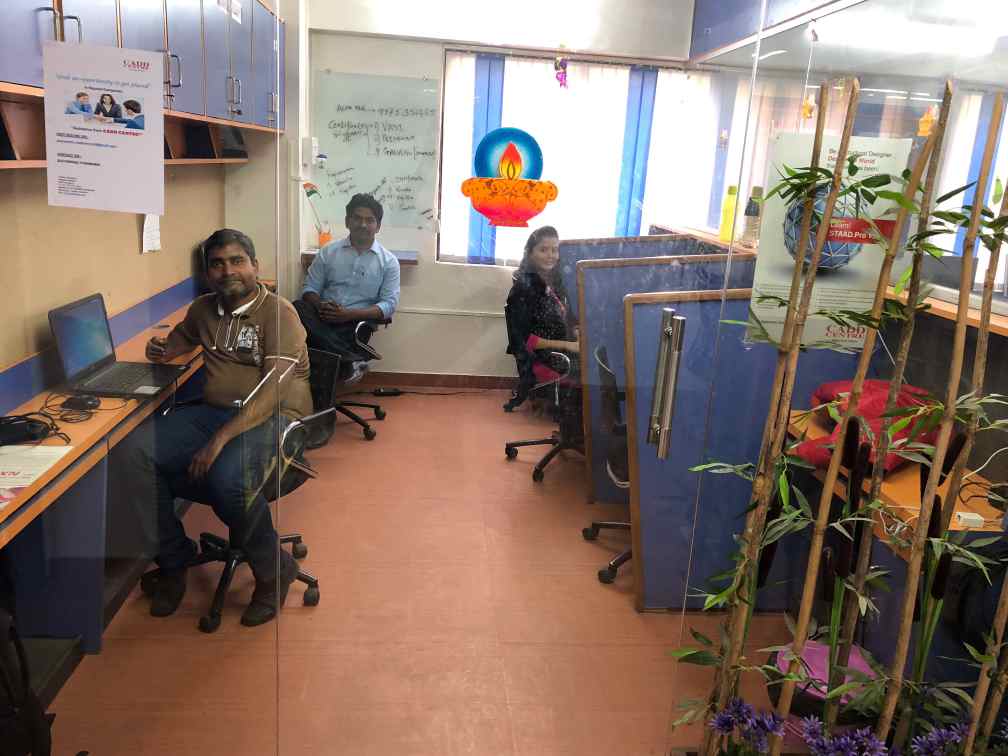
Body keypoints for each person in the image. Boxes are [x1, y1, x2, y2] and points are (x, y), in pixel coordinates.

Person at [124, 228, 312, 626]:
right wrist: (162, 349)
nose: (228, 271)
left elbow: (272, 393)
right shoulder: (204, 309)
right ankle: (174, 559)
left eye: (237, 261)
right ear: (208, 273)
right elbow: (180, 340)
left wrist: (219, 440)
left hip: (277, 419)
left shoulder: (279, 313)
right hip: (215, 414)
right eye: (217, 264)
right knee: (134, 453)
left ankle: (274, 571)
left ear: (255, 266)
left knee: (228, 479)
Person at [294, 193, 400, 381]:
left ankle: (344, 361)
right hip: (323, 317)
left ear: (378, 226)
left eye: (370, 220)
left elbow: (389, 305)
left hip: (355, 324)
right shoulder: (328, 252)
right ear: (347, 221)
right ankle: (350, 360)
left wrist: (348, 314)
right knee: (297, 307)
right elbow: (309, 289)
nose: (363, 224)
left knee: (317, 345)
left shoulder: (388, 262)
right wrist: (321, 305)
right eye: (357, 218)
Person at [506, 225, 579, 390]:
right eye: (543, 250)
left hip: (562, 346)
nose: (550, 255)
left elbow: (566, 315)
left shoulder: (556, 281)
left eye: (554, 250)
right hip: (543, 355)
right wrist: (567, 345)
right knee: (589, 366)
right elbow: (525, 339)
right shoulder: (523, 286)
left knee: (597, 354)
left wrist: (576, 331)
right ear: (530, 253)